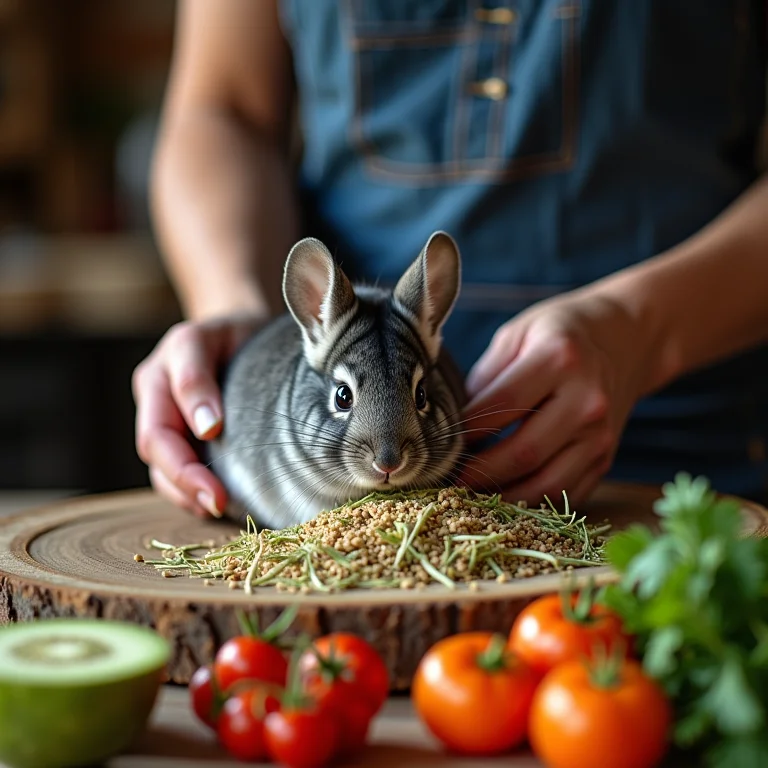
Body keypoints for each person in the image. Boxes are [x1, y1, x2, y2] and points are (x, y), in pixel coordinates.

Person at [133, 0, 768, 519]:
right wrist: (241, 324)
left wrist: (644, 329)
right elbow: (225, 109)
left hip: (684, 457)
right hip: (335, 466)